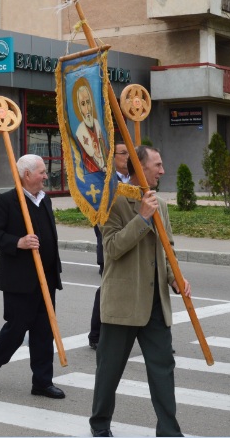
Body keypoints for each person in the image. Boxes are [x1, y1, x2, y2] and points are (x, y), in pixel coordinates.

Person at [90, 145, 190, 437]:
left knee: (163, 367)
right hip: (124, 302)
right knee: (109, 370)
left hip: (156, 300)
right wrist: (142, 218)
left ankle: (169, 430)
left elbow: (167, 246)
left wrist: (175, 277)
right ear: (139, 167)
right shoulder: (112, 200)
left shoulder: (160, 202)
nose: (162, 170)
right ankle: (99, 424)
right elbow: (112, 248)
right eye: (157, 165)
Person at [0, 154, 62, 396]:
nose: (46, 176)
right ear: (27, 175)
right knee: (16, 330)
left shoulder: (44, 200)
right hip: (20, 280)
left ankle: (42, 382)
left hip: (46, 277)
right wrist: (18, 242)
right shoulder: (7, 200)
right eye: (42, 172)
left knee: (44, 331)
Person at [89, 140, 131, 350]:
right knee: (107, 289)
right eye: (124, 153)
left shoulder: (135, 180)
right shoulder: (106, 183)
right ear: (113, 158)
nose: (128, 157)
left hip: (134, 242)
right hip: (111, 243)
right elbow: (99, 219)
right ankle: (96, 334)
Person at [72, 78, 108, 173]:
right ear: (79, 108)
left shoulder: (97, 123)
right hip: (92, 172)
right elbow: (90, 155)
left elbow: (103, 149)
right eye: (83, 104)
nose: (87, 108)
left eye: (88, 102)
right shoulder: (80, 131)